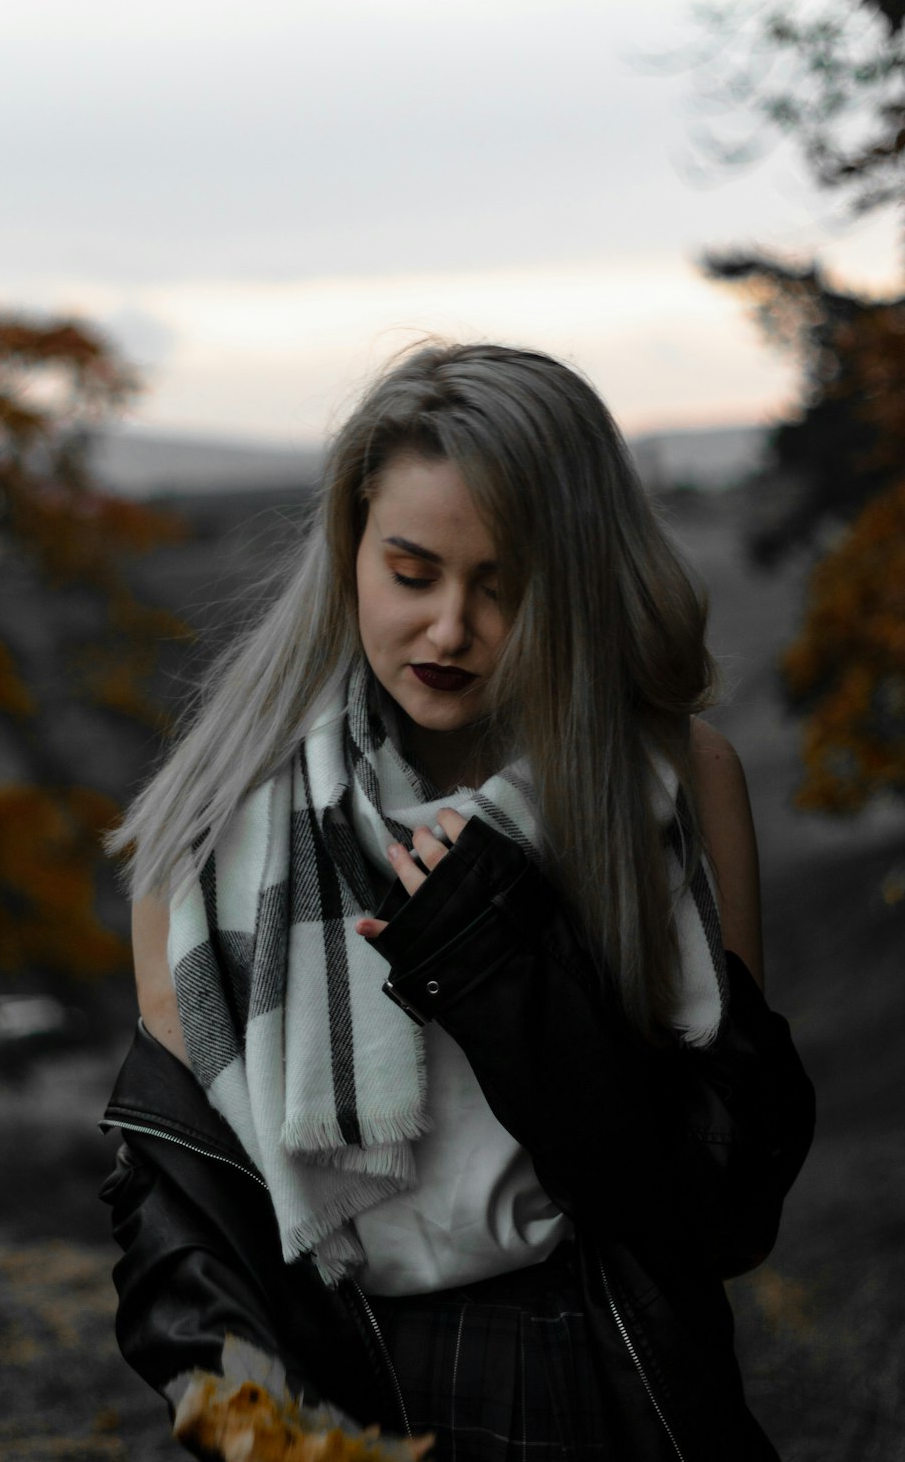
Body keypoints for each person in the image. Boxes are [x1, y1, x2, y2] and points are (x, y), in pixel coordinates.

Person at [100, 342, 815, 1462]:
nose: (449, 632)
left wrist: (503, 960)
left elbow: (721, 1209)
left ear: (577, 580)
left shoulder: (677, 781)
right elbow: (184, 1189)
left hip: (608, 1368)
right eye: (413, 571)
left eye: (506, 585)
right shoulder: (214, 813)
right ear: (351, 551)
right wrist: (237, 1396)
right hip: (341, 1373)